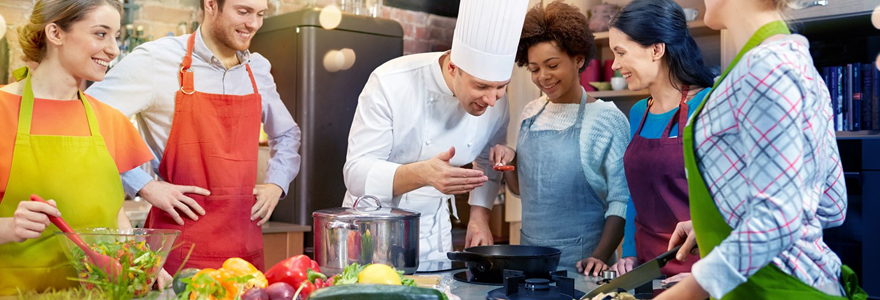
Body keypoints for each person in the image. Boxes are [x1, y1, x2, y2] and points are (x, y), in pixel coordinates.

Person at [659, 0, 868, 299]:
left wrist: (684, 293)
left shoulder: (765, 68)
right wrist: (721, 222)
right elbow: (831, 205)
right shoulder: (797, 65)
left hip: (778, 289)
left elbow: (779, 218)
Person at [86, 0, 302, 272]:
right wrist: (144, 185)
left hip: (244, 251)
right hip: (177, 249)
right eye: (243, 12)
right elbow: (86, 118)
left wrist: (277, 184)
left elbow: (287, 134)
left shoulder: (256, 69)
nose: (254, 24)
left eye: (260, 14)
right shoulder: (155, 61)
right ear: (211, 5)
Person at [342, 0, 529, 262]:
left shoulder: (497, 102)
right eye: (482, 86)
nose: (492, 100)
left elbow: (488, 158)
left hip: (435, 235)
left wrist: (479, 215)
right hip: (374, 229)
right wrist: (423, 173)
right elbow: (356, 174)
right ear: (453, 67)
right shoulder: (390, 83)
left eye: (501, 87)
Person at [0, 0, 154, 294]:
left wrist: (137, 268)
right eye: (100, 33)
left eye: (116, 36)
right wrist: (8, 227)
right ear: (55, 33)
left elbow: (115, 217)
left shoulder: (109, 120)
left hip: (101, 293)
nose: (114, 49)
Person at [490, 0, 630, 274]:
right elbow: (522, 190)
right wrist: (508, 162)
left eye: (552, 65)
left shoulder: (606, 119)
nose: (543, 77)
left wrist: (600, 257)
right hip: (529, 263)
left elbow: (621, 200)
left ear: (578, 59)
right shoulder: (531, 113)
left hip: (584, 268)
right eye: (533, 69)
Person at [605, 0, 714, 279]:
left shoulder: (709, 105)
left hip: (699, 268)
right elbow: (634, 194)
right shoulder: (639, 112)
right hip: (646, 268)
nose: (615, 65)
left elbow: (730, 201)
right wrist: (628, 253)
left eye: (621, 53)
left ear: (656, 49)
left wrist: (707, 272)